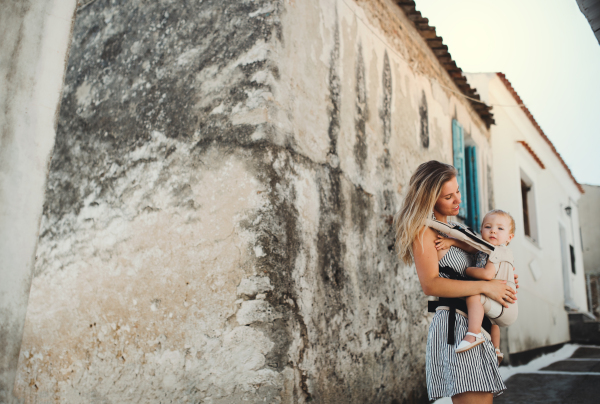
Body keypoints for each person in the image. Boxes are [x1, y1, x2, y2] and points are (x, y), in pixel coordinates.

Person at [394, 160, 517, 403]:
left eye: (457, 191)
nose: (457, 200)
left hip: (478, 325)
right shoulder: (424, 231)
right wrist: (486, 286)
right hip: (456, 325)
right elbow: (430, 284)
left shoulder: (459, 230)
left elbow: (489, 259)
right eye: (448, 196)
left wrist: (506, 278)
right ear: (430, 199)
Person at [434, 209, 516, 363]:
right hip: (490, 293)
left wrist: (468, 271)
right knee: (492, 323)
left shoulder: (498, 251)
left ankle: (474, 333)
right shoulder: (485, 247)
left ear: (509, 237)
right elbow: (470, 247)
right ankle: (496, 348)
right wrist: (451, 241)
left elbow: (487, 275)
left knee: (473, 297)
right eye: (488, 227)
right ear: (481, 230)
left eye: (500, 228)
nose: (493, 231)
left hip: (492, 291)